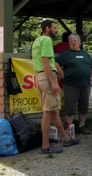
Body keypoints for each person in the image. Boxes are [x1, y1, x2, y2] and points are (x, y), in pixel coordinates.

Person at [32, 20, 80, 154]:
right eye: (54, 28)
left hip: (40, 77)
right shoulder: (47, 41)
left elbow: (34, 56)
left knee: (54, 110)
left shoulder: (36, 40)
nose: (56, 30)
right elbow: (45, 62)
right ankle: (45, 146)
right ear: (47, 28)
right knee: (48, 112)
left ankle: (66, 138)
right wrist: (53, 82)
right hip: (47, 77)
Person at [55, 33, 92, 135]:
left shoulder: (85, 54)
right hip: (71, 85)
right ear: (69, 43)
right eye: (71, 41)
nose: (73, 43)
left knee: (84, 106)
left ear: (79, 42)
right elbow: (55, 63)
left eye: (75, 41)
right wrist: (62, 73)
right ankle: (69, 128)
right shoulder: (66, 54)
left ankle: (81, 126)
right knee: (70, 107)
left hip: (85, 84)